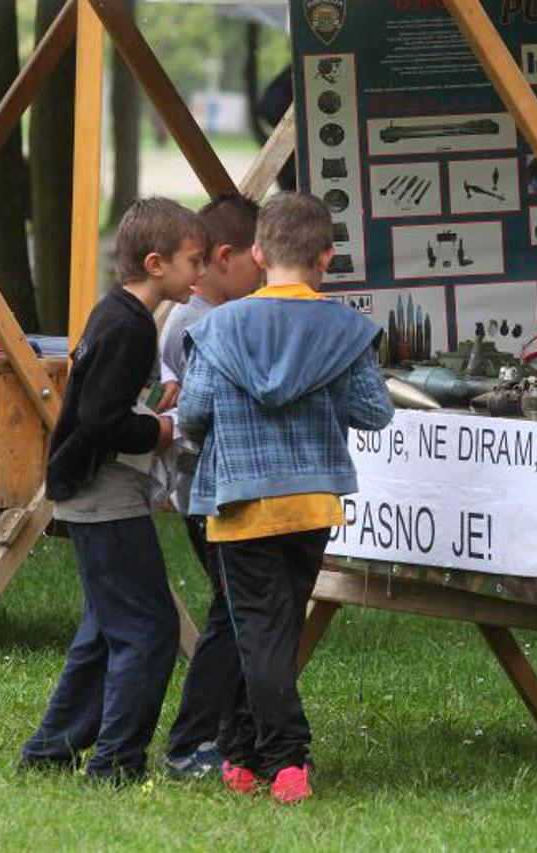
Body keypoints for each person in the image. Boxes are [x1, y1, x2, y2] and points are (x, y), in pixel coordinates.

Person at [178, 192, 393, 804]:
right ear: (326, 256)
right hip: (312, 502)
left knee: (260, 635)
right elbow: (374, 413)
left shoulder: (217, 327)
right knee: (272, 632)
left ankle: (285, 760)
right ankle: (243, 757)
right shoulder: (345, 330)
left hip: (241, 498)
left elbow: (192, 414)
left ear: (256, 252)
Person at [19, 198, 207, 784]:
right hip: (104, 496)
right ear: (156, 263)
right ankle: (115, 764)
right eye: (193, 261)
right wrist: (162, 429)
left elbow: (103, 404)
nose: (199, 274)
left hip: (92, 489)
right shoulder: (127, 324)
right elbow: (102, 419)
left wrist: (150, 406)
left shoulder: (119, 314)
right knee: (148, 632)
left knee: (105, 629)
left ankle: (52, 749)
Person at [157, 194, 262, 779]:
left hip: (211, 484)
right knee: (232, 612)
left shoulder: (201, 317)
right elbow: (203, 413)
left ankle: (225, 732)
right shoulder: (202, 325)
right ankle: (191, 742)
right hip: (208, 487)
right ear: (226, 257)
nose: (264, 273)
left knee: (235, 608)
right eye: (257, 261)